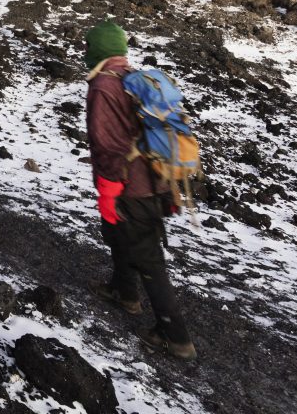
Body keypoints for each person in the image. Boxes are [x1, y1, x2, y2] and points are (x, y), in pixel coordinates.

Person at [84, 20, 197, 360]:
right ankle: (123, 290)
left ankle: (175, 336)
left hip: (130, 187)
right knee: (117, 233)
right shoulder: (135, 79)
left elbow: (106, 144)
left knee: (148, 257)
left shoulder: (104, 86)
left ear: (98, 50)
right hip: (157, 180)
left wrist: (108, 190)